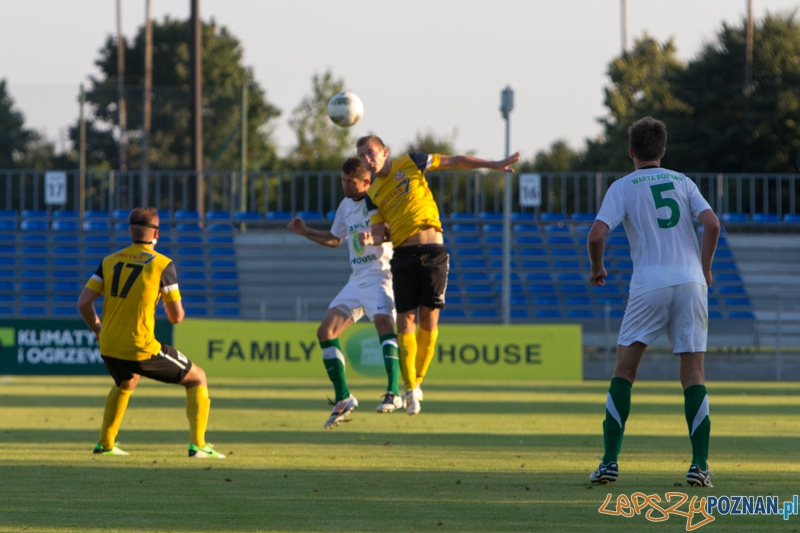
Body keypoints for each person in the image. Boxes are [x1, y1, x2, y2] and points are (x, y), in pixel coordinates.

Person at [587, 117, 719, 487]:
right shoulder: (683, 182)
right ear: (663, 151)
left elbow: (596, 236)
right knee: (693, 376)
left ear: (631, 151)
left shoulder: (623, 187)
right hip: (691, 282)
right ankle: (699, 466)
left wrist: (597, 269)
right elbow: (712, 225)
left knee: (624, 372)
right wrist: (705, 269)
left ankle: (610, 462)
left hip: (649, 283)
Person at [357, 135, 520, 415]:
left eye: (371, 153)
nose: (368, 160)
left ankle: (415, 385)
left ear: (384, 151)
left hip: (434, 252)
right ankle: (408, 389)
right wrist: (369, 237)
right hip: (404, 257)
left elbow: (455, 160)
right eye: (363, 157)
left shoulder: (412, 162)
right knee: (405, 321)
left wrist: (494, 164)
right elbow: (381, 234)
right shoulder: (373, 195)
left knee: (429, 322)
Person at [77, 207, 225, 458]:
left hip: (109, 344)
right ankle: (199, 445)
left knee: (127, 381)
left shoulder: (109, 261)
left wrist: (98, 327)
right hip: (140, 347)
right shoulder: (162, 265)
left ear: (130, 231)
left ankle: (105, 444)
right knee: (197, 377)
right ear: (156, 232)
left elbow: (83, 303)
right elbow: (176, 317)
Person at [287, 157, 401, 429]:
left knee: (384, 323)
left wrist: (376, 235)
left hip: (380, 277)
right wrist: (305, 232)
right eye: (343, 181)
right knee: (325, 332)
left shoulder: (379, 200)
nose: (346, 186)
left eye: (351, 182)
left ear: (367, 181)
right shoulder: (345, 206)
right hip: (357, 280)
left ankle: (394, 392)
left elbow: (395, 230)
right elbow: (335, 240)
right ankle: (343, 397)